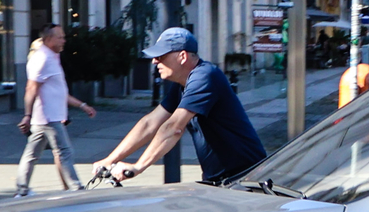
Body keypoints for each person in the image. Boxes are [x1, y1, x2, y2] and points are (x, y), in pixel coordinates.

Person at [98, 27, 266, 186]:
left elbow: (174, 127)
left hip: (246, 177)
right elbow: (149, 123)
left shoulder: (205, 77)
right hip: (218, 179)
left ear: (182, 56)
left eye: (161, 56)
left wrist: (138, 167)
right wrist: (110, 160)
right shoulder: (182, 85)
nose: (154, 61)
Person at [10, 21, 95, 198]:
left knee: (32, 154)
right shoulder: (42, 58)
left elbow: (59, 91)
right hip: (48, 117)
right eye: (60, 37)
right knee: (64, 151)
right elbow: (31, 87)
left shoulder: (51, 57)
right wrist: (27, 114)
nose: (64, 41)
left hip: (48, 116)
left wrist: (82, 105)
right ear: (49, 39)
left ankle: (22, 189)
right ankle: (76, 188)